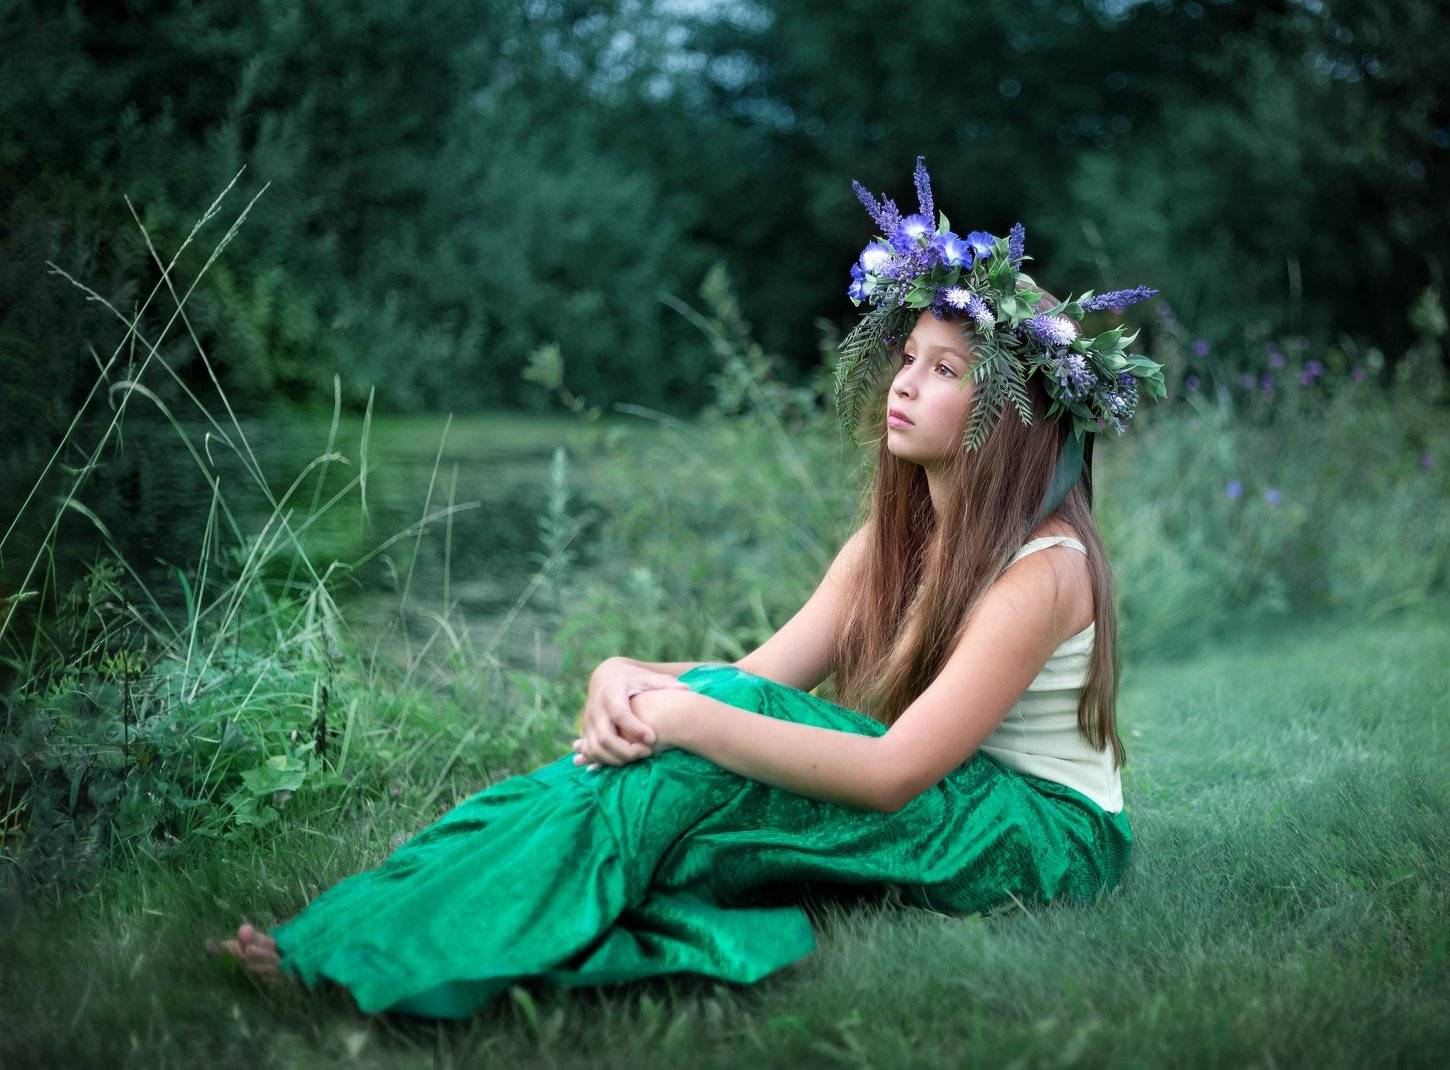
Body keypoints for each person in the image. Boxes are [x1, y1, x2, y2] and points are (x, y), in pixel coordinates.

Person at [205, 155, 1166, 1019]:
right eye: (906, 357)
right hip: (951, 796)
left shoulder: (1046, 573)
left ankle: (396, 959)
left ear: (1012, 414)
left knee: (681, 770)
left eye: (945, 369)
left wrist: (685, 716)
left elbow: (891, 774)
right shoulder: (891, 543)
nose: (903, 384)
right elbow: (756, 681)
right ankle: (358, 933)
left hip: (1038, 834)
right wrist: (625, 675)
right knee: (633, 780)